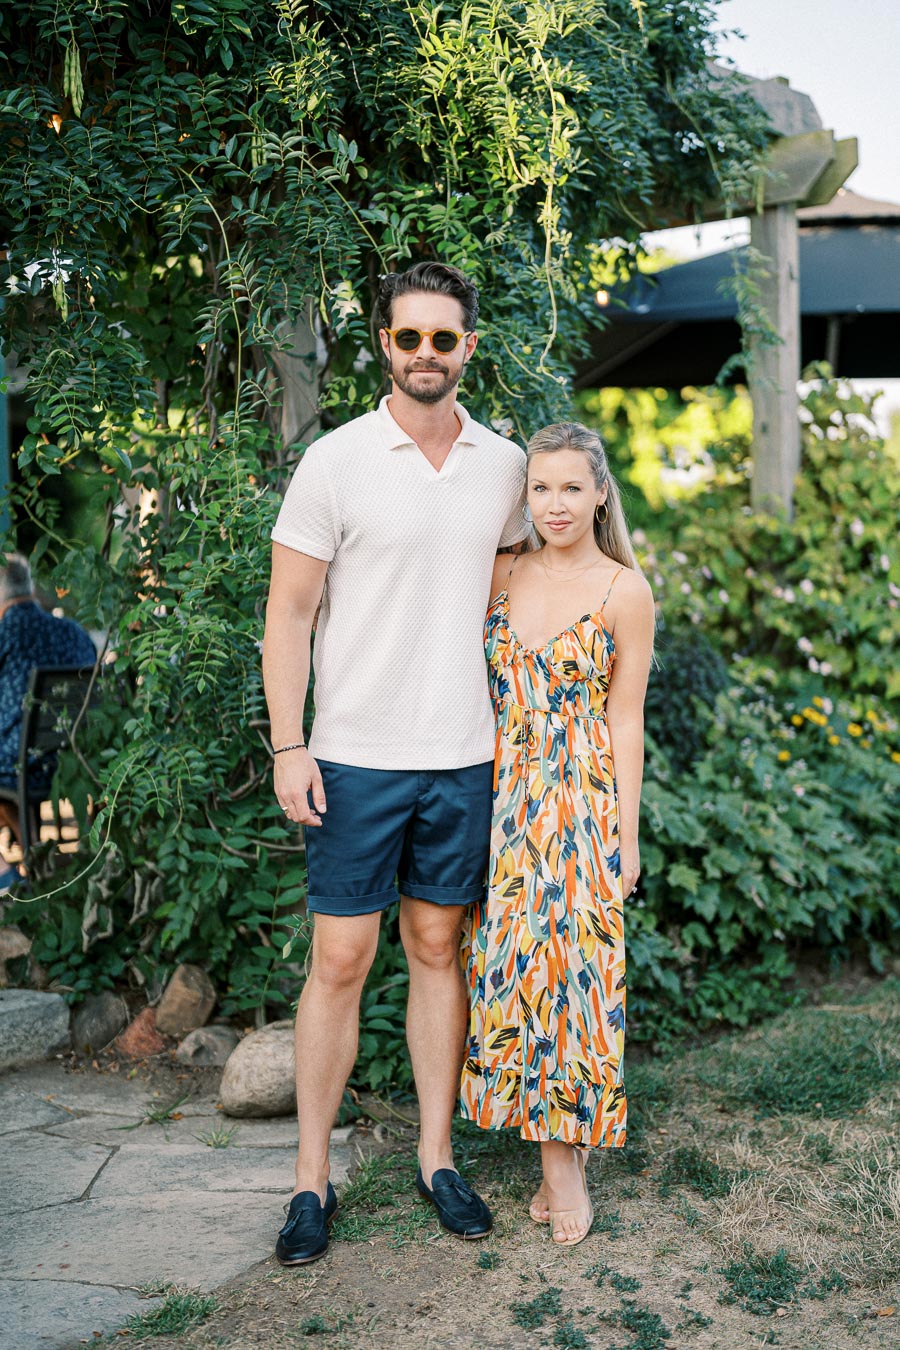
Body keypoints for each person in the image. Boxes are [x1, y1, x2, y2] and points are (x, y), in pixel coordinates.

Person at [263, 261, 529, 1265]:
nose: (427, 354)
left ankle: (435, 1157)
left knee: (435, 951)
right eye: (409, 338)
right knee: (339, 960)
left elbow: (511, 600)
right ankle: (308, 1180)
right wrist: (290, 743)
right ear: (385, 344)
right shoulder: (336, 461)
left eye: (444, 339)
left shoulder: (504, 467)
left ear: (470, 344)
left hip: (464, 753)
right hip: (354, 756)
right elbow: (288, 615)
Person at [459, 421, 655, 1247]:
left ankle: (563, 1169)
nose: (556, 503)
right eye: (541, 488)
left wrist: (627, 833)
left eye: (572, 487)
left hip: (579, 805)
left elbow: (627, 717)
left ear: (601, 492)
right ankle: (553, 1157)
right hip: (501, 798)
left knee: (573, 976)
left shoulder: (624, 591)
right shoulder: (502, 573)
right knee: (511, 975)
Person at [0, 553, 97, 887]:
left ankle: (15, 866)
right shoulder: (73, 631)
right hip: (73, 758)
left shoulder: (6, 632)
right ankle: (32, 855)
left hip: (20, 763)